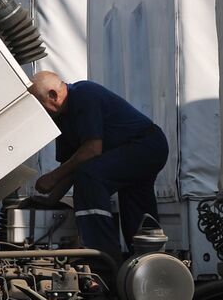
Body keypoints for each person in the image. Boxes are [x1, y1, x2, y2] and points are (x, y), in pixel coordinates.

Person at [27, 71, 168, 258]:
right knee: (136, 211)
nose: (39, 112)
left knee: (89, 175)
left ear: (53, 95)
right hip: (133, 151)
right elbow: (71, 164)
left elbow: (92, 150)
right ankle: (147, 261)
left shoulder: (84, 95)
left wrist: (53, 176)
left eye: (39, 105)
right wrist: (51, 200)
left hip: (147, 145)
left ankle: (102, 255)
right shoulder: (61, 118)